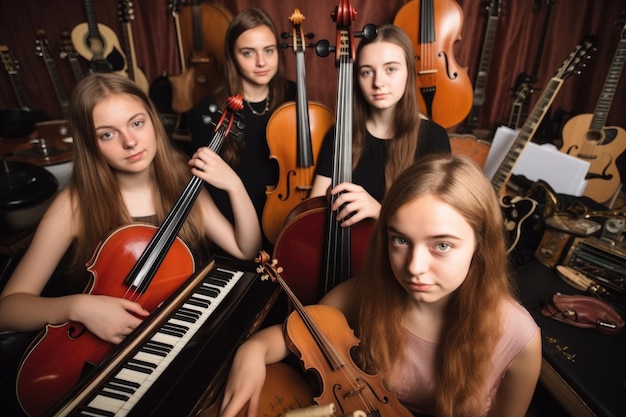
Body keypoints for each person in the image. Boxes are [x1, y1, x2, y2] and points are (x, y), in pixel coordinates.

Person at [218, 154, 542, 417]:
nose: (414, 267)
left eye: (441, 245)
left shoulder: (519, 337)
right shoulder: (367, 292)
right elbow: (295, 333)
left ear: (480, 245)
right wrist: (251, 351)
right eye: (400, 240)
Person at [0, 72, 261, 343]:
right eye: (108, 134)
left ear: (152, 120)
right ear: (91, 144)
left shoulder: (182, 180)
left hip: (177, 337)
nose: (130, 141)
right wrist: (78, 307)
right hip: (100, 351)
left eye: (137, 123)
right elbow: (7, 310)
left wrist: (234, 186)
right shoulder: (74, 204)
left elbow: (246, 250)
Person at [310, 23, 451, 227]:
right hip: (344, 250)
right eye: (367, 72)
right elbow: (313, 210)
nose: (378, 82)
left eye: (391, 69)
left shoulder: (433, 137)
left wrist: (379, 211)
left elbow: (434, 220)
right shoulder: (341, 132)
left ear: (408, 72)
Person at [190, 7, 296, 253]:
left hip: (287, 218)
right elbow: (211, 192)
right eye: (248, 53)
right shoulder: (210, 110)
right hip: (237, 230)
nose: (261, 62)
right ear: (232, 56)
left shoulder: (294, 95)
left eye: (268, 51)